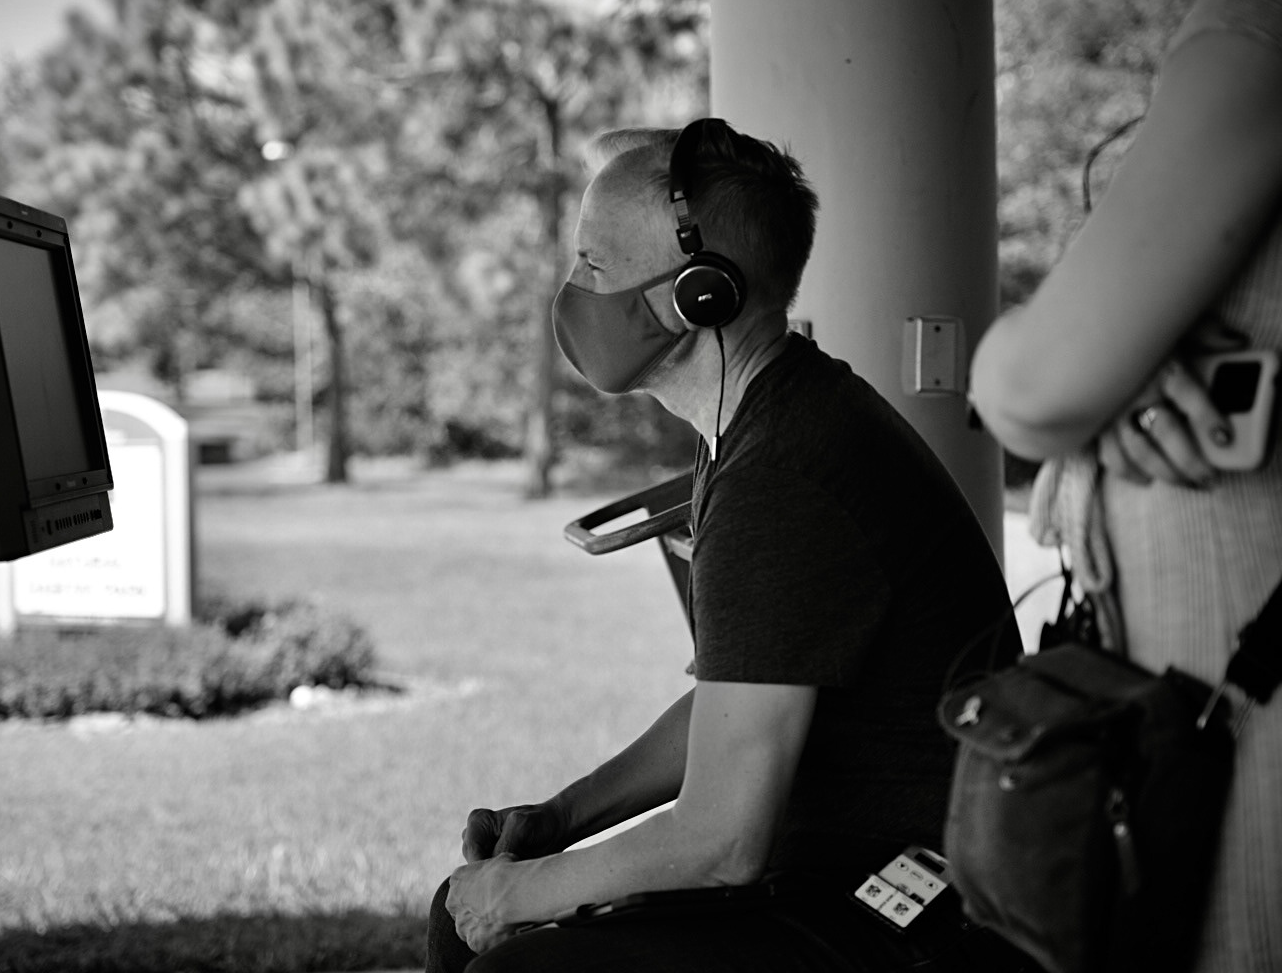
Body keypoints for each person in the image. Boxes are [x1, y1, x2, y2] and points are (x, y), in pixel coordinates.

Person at [425, 119, 1024, 973]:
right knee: (460, 920)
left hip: (908, 919)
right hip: (835, 876)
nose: (572, 291)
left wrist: (521, 895)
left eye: (594, 265)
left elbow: (721, 842)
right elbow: (737, 705)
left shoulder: (783, 472)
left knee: (511, 966)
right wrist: (561, 819)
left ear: (699, 294)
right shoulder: (759, 422)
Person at [969, 0, 1282, 969]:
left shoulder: (1261, 14)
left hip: (1236, 700)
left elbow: (1033, 388)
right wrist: (1131, 357)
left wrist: (1062, 369)